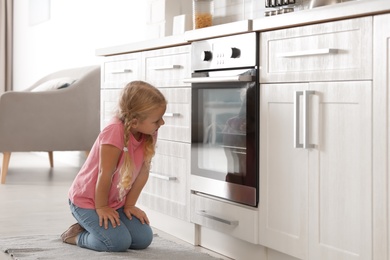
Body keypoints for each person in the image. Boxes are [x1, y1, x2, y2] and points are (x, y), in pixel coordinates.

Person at [60, 81, 167, 252]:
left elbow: (142, 173)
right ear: (134, 122)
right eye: (156, 120)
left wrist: (130, 205)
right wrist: (102, 207)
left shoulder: (149, 131)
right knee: (118, 243)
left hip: (115, 202)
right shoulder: (114, 131)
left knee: (143, 239)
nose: (162, 123)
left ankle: (95, 227)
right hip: (88, 201)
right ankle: (76, 235)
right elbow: (105, 173)